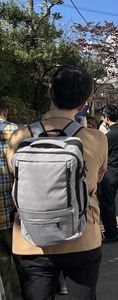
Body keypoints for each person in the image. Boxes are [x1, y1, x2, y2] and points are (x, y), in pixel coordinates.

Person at [6, 65, 108, 300]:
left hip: (31, 238)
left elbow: (16, 178)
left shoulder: (20, 137)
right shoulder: (96, 139)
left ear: (50, 91)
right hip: (83, 234)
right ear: (84, 103)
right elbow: (97, 179)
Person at [0, 97, 23, 300]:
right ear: (5, 111)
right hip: (13, 208)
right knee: (25, 262)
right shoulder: (18, 132)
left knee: (2, 268)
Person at [98, 105, 118, 243]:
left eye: (103, 116)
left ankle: (112, 233)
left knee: (106, 205)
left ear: (106, 117)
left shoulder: (109, 136)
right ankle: (111, 230)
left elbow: (100, 154)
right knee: (109, 203)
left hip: (108, 174)